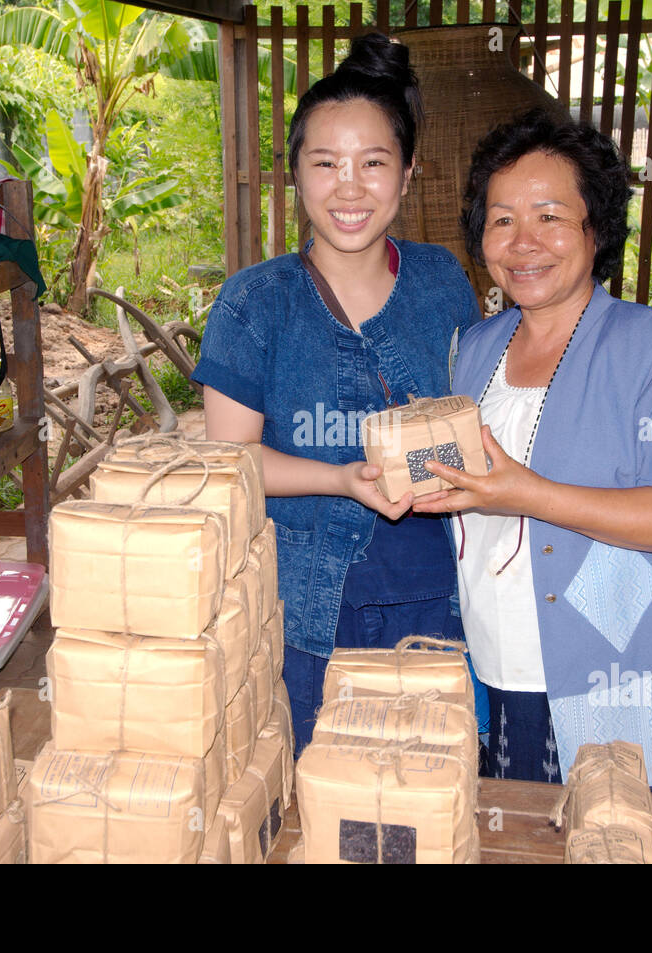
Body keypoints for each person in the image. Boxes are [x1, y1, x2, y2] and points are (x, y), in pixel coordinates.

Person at [413, 108, 652, 787]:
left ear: (597, 228)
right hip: (500, 666)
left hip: (615, 672)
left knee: (612, 835)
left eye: (550, 216)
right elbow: (479, 489)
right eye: (501, 219)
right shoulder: (474, 348)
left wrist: (529, 493)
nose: (523, 241)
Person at [193, 33, 481, 754]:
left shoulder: (443, 282)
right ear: (295, 174)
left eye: (374, 163)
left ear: (408, 172)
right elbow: (231, 462)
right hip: (305, 615)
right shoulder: (253, 304)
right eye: (325, 164)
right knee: (316, 800)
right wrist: (340, 480)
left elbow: (474, 417)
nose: (349, 188)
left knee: (426, 798)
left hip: (435, 601)